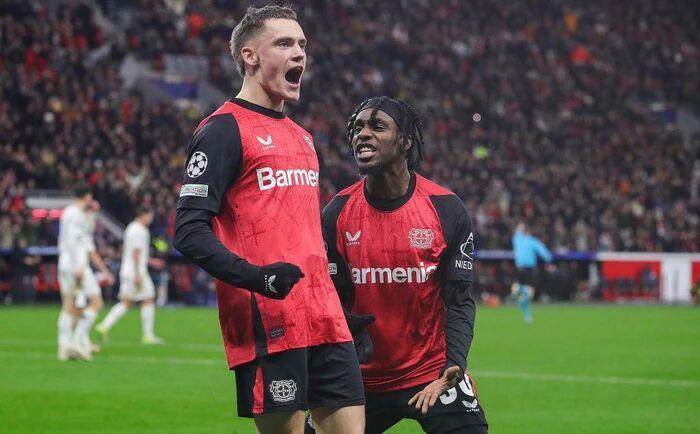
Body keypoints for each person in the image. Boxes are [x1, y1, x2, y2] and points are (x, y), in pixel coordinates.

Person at [173, 6, 364, 434]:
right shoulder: (222, 130)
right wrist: (257, 279)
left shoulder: (303, 138)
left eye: (302, 44)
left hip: (326, 320)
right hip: (269, 322)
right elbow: (187, 231)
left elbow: (305, 236)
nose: (299, 53)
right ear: (250, 56)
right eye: (284, 43)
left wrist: (338, 304)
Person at [313, 97, 488, 433]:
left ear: (406, 141)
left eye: (377, 126)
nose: (362, 134)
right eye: (358, 128)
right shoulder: (337, 213)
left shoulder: (446, 208)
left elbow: (459, 299)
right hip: (360, 379)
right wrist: (346, 328)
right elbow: (328, 298)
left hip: (431, 374)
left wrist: (454, 364)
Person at [57, 185, 114, 361]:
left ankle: (65, 345)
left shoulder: (73, 214)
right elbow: (73, 241)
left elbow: (87, 245)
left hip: (68, 264)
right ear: (87, 197)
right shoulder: (75, 214)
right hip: (76, 266)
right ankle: (77, 341)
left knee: (70, 306)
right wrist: (78, 267)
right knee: (96, 302)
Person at [96, 206, 166, 344]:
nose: (151, 219)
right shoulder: (139, 230)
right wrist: (138, 274)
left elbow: (135, 253)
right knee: (148, 299)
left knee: (127, 302)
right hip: (136, 271)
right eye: (150, 215)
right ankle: (148, 336)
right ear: (144, 214)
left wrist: (151, 262)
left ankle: (104, 326)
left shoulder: (131, 228)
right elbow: (135, 253)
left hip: (129, 270)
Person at [511, 222, 553, 323]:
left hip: (521, 269)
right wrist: (549, 261)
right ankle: (519, 291)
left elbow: (543, 251)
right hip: (528, 270)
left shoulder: (517, 239)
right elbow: (544, 252)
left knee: (525, 295)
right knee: (529, 292)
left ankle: (518, 292)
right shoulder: (531, 241)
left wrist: (548, 259)